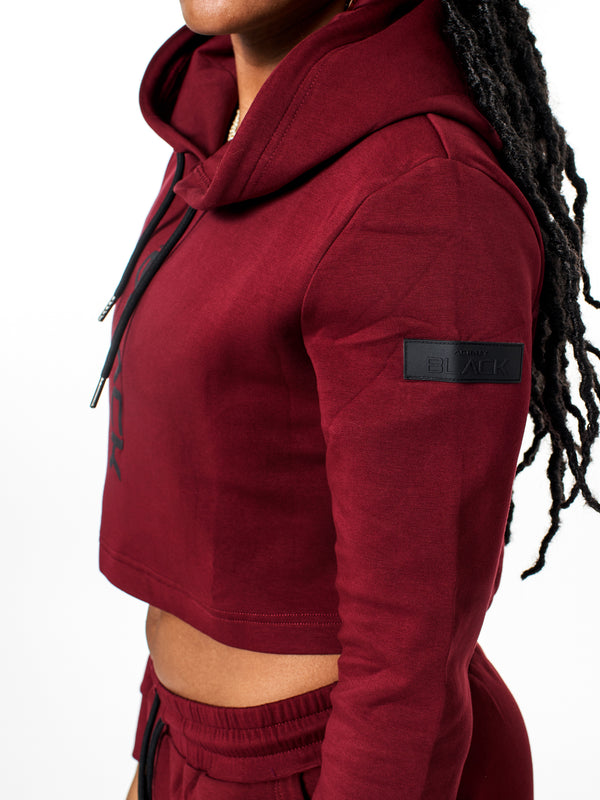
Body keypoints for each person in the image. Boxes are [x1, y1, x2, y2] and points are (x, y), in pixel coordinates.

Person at [91, 0, 600, 798]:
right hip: (180, 741)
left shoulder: (425, 196)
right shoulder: (225, 137)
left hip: (332, 767)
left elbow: (410, 655)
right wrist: (156, 758)